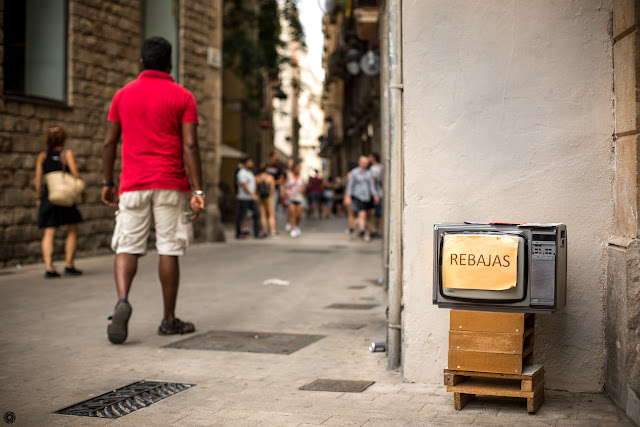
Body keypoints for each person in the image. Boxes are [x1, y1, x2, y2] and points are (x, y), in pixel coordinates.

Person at [102, 37, 205, 344]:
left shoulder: (122, 95)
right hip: (170, 184)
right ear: (170, 63)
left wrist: (108, 182)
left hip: (133, 183)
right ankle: (169, 319)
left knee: (128, 245)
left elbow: (109, 143)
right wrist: (198, 189)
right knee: (168, 248)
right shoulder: (183, 96)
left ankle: (122, 301)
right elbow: (190, 145)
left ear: (142, 63)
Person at [34, 125, 84, 278]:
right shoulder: (66, 154)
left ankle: (49, 267)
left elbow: (38, 179)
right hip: (65, 195)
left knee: (49, 232)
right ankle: (69, 264)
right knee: (72, 230)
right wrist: (82, 191)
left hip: (49, 196)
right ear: (63, 139)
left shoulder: (42, 156)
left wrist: (38, 197)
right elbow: (75, 174)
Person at [345, 156, 379, 242]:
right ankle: (363, 231)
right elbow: (350, 185)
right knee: (362, 214)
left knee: (367, 215)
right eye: (363, 163)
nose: (365, 164)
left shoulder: (369, 173)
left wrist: (375, 195)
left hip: (367, 197)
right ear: (359, 163)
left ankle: (357, 227)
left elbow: (371, 185)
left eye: (366, 163)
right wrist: (348, 196)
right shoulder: (354, 172)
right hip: (358, 196)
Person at [236, 156, 265, 239]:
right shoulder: (242, 173)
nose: (252, 163)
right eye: (250, 161)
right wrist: (251, 194)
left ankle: (257, 233)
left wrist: (254, 194)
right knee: (242, 215)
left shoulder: (250, 172)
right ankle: (239, 233)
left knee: (256, 214)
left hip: (251, 197)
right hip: (244, 197)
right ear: (246, 162)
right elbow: (244, 185)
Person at [285, 162, 305, 237]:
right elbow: (285, 186)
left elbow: (304, 188)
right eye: (295, 168)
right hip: (291, 198)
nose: (297, 169)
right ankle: (293, 229)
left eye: (298, 168)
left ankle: (297, 226)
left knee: (299, 215)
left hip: (299, 198)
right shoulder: (289, 176)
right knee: (292, 213)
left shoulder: (302, 177)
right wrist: (286, 191)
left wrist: (302, 189)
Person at [256, 164, 276, 236]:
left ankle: (264, 230)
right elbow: (272, 188)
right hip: (268, 197)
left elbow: (256, 189)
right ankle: (272, 230)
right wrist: (270, 195)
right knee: (271, 214)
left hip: (261, 197)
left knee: (262, 215)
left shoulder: (257, 178)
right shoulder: (270, 177)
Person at [368, 152, 383, 237]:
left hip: (376, 194)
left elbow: (373, 181)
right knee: (379, 213)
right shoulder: (381, 167)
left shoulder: (373, 169)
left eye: (369, 157)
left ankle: (377, 230)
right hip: (380, 193)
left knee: (375, 213)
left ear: (373, 158)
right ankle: (378, 229)